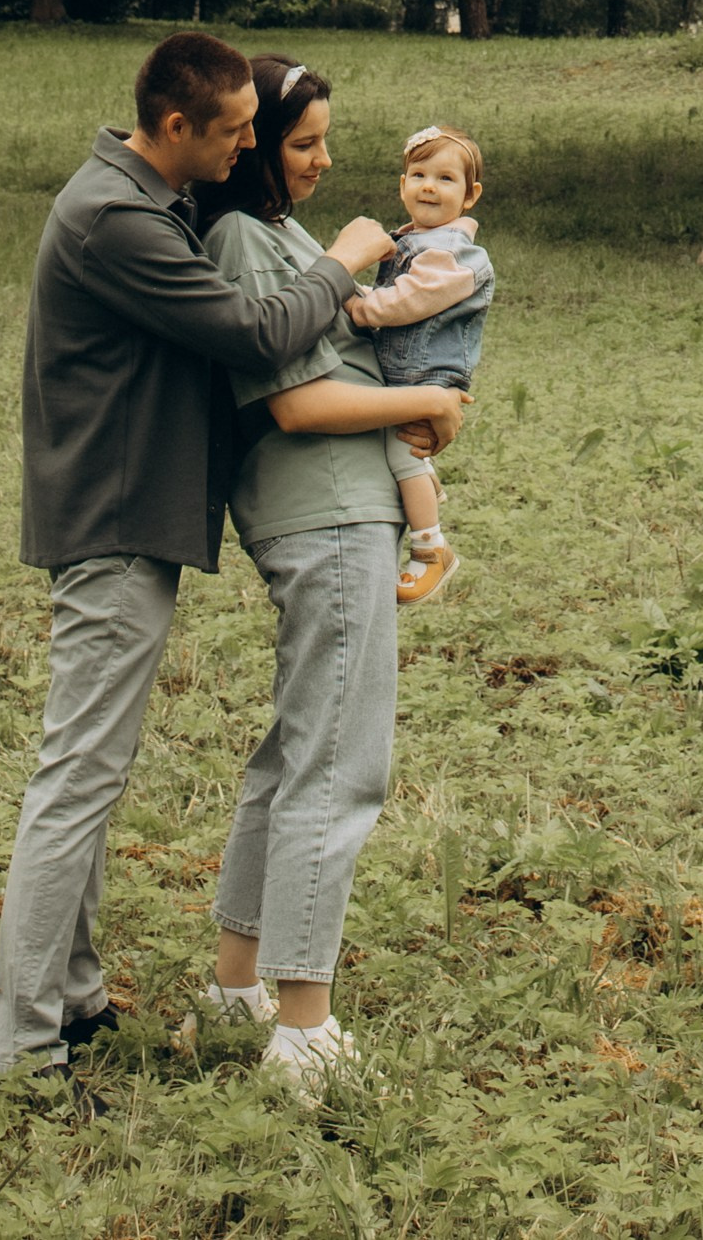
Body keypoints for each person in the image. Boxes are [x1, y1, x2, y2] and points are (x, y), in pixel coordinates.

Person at [0, 30, 403, 1083]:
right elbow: (257, 334)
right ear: (175, 123)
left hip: (133, 516)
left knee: (92, 769)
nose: (247, 148)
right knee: (76, 773)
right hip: (113, 519)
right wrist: (342, 258)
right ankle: (26, 1043)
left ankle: (73, 999)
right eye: (234, 131)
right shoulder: (114, 218)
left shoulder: (145, 202)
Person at [198, 60, 469, 1093]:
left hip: (340, 507)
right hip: (329, 513)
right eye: (304, 142)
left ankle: (236, 991)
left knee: (292, 749)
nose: (321, 159)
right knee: (338, 765)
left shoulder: (281, 238)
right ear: (255, 144)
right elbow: (296, 402)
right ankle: (302, 1028)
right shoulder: (244, 237)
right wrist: (429, 413)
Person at [341, 122, 493, 606]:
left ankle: (431, 549)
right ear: (402, 184)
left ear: (470, 196)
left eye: (446, 179)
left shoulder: (450, 255)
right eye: (419, 174)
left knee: (401, 455)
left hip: (426, 375)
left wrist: (352, 299)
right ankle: (423, 484)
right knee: (404, 456)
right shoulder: (414, 241)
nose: (430, 185)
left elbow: (405, 302)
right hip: (409, 371)